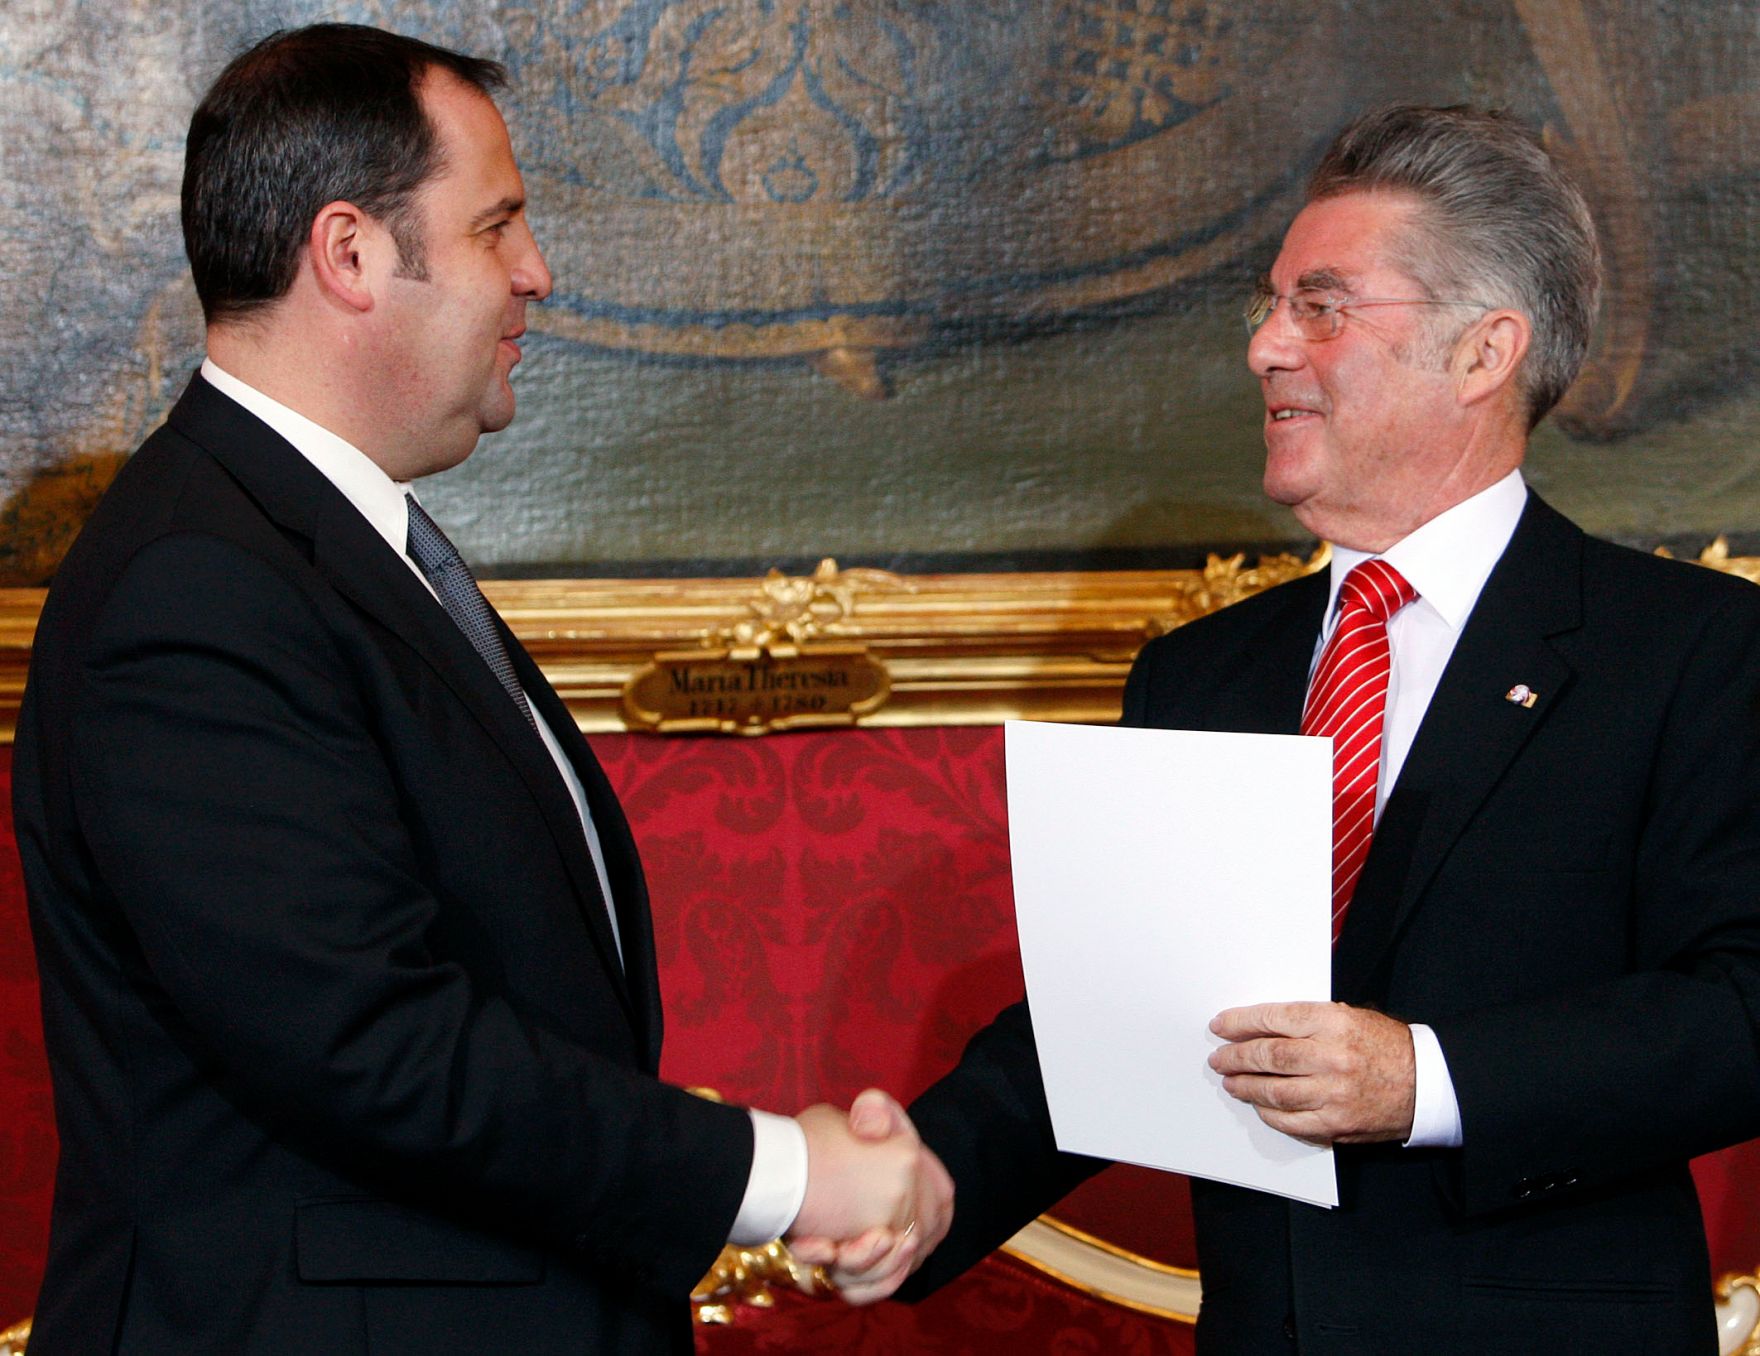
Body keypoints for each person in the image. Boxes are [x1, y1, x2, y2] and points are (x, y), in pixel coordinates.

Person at [12, 23, 948, 1355]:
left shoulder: (312, 544)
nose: (535, 272)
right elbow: (368, 1043)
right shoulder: (196, 585)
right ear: (349, 255)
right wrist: (788, 1176)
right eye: (496, 226)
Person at [804, 104, 1760, 1352]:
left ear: (1483, 351)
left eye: (1320, 307)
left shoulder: (1691, 652)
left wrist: (1424, 1081)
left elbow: (1742, 1011)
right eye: (1268, 307)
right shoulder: (1199, 675)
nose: (1263, 347)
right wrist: (929, 1182)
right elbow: (1121, 1012)